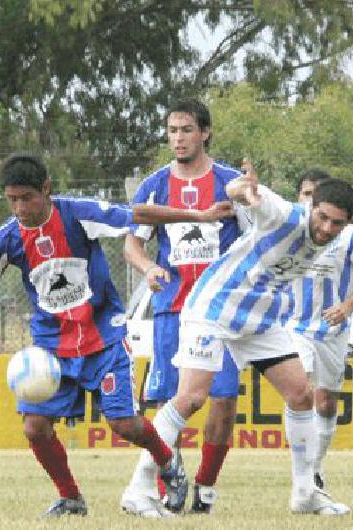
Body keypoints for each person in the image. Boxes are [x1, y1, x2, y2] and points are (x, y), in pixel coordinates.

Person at [0, 153, 235, 517]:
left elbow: (140, 215)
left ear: (47, 190)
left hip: (103, 339)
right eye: (12, 200)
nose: (20, 207)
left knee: (123, 424)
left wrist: (197, 216)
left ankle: (167, 463)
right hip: (52, 347)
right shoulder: (7, 239)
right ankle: (71, 497)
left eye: (27, 198)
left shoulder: (78, 214)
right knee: (35, 427)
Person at [126, 160, 353, 516]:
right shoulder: (282, 213)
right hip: (215, 308)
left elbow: (351, 217)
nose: (327, 229)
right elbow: (239, 191)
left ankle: (304, 492)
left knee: (301, 395)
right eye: (322, 218)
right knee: (190, 398)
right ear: (310, 208)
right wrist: (245, 189)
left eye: (337, 223)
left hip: (261, 317)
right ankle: (139, 488)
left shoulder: (337, 228)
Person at [121, 97, 250, 516]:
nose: (178, 138)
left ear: (205, 133)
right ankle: (168, 485)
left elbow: (256, 236)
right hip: (172, 308)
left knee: (223, 400)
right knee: (170, 400)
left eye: (187, 130)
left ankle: (206, 488)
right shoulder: (154, 185)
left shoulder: (230, 183)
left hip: (220, 311)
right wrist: (148, 268)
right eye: (173, 131)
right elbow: (132, 244)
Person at [286, 169, 353, 492]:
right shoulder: (290, 228)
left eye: (315, 194)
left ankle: (315, 468)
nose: (310, 200)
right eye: (305, 194)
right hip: (294, 325)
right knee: (300, 391)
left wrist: (347, 306)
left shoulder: (349, 237)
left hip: (333, 332)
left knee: (326, 403)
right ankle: (301, 475)